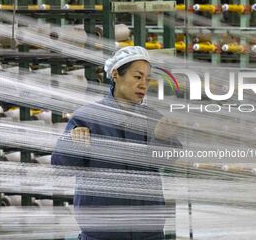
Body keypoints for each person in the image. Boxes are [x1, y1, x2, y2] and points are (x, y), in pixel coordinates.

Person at [51, 46, 180, 240]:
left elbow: (169, 162)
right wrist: (73, 144)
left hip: (147, 231)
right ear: (116, 74)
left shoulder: (152, 119)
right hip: (101, 232)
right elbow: (62, 168)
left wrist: (163, 139)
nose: (144, 84)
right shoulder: (88, 117)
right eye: (137, 77)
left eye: (147, 78)